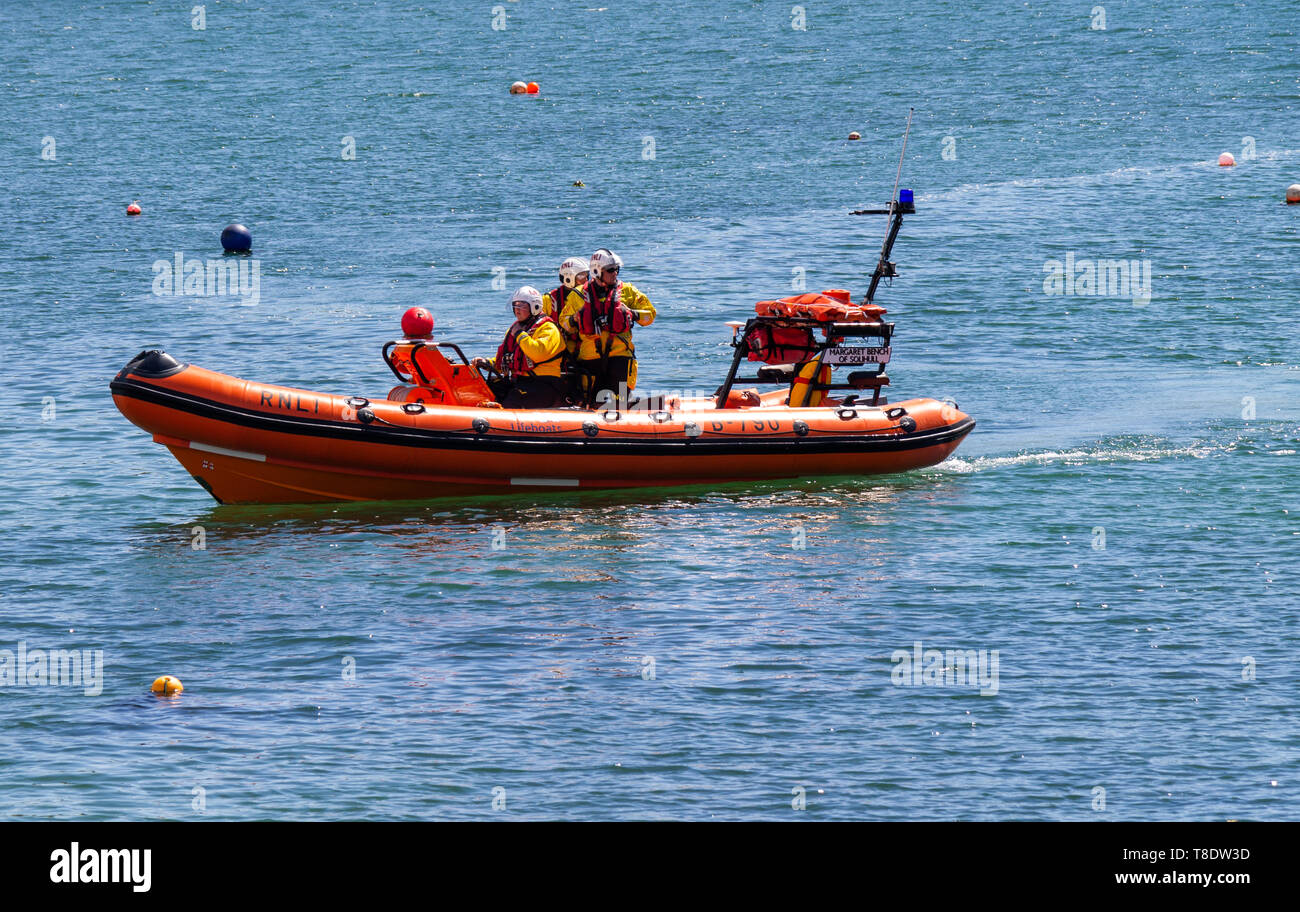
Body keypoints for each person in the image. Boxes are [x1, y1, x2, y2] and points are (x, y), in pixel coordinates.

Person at [559, 248, 656, 407]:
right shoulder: (577, 295)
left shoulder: (628, 291)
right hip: (590, 359)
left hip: (620, 357)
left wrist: (632, 313)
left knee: (621, 402)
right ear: (597, 271)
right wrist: (575, 319)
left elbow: (650, 315)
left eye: (617, 269)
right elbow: (563, 323)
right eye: (610, 270)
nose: (615, 273)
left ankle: (636, 415)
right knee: (591, 402)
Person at [471, 286, 568, 408]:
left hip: (544, 383)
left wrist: (520, 335)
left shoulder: (548, 329)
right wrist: (487, 362)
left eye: (522, 306)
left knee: (513, 400)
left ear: (535, 307)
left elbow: (536, 353)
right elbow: (508, 358)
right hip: (520, 381)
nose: (517, 310)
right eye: (515, 306)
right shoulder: (516, 329)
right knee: (488, 389)